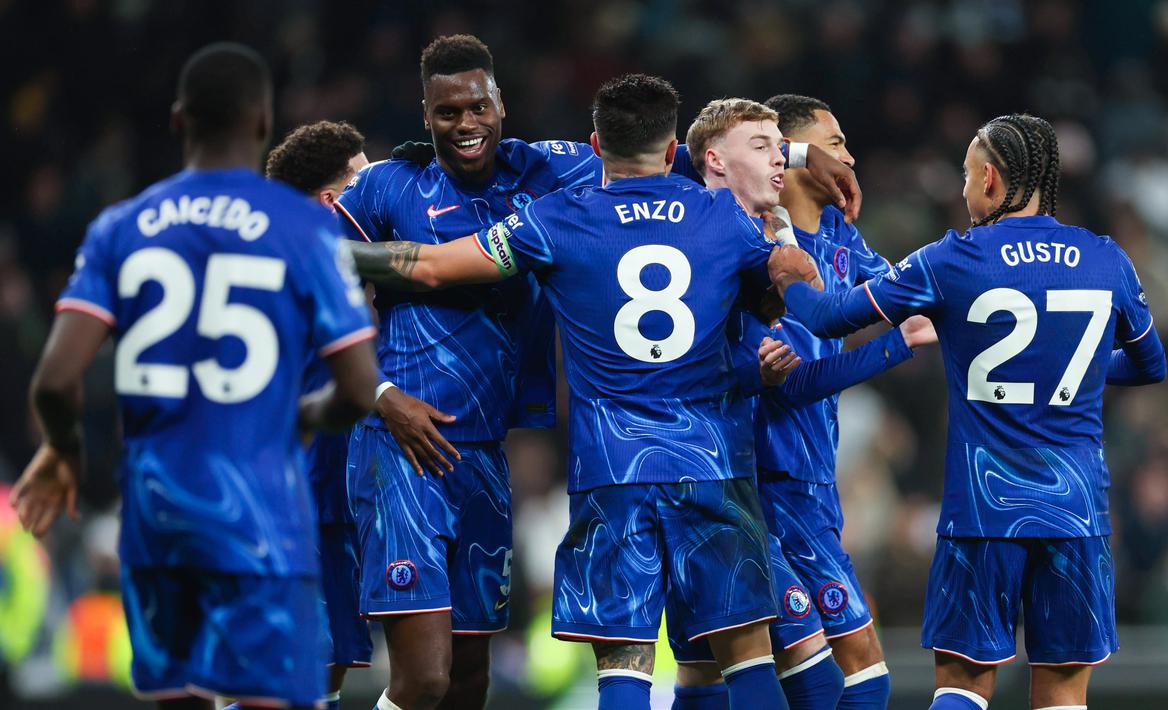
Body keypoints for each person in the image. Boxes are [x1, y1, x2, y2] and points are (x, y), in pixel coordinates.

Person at [336, 33, 860, 710]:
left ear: (592, 145)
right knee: (745, 653)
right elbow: (776, 262)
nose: (465, 125)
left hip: (610, 471)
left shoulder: (552, 217)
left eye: (476, 108)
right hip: (710, 461)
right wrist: (790, 245)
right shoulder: (720, 218)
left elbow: (432, 266)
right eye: (447, 113)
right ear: (672, 150)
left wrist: (317, 254)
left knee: (624, 667)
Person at [9, 43, 378, 709]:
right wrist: (305, 421)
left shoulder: (121, 227)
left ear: (179, 121)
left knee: (180, 698)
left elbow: (55, 380)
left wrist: (61, 451)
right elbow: (356, 387)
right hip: (258, 500)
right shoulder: (303, 229)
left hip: (156, 509)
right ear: (264, 122)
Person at [770, 114, 1167, 710]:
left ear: (987, 177)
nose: (960, 190)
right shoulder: (1105, 258)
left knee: (962, 687)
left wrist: (788, 273)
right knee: (1063, 694)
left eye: (963, 175)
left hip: (982, 511)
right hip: (1077, 510)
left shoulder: (951, 260)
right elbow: (1149, 365)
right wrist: (1061, 369)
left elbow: (828, 318)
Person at [666, 97, 937, 710]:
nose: (846, 155)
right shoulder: (755, 250)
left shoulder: (840, 237)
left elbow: (904, 288)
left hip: (812, 476)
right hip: (767, 483)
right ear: (786, 157)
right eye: (831, 141)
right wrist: (898, 346)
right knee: (854, 673)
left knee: (708, 672)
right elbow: (791, 382)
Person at [264, 119, 373, 710]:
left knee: (322, 670)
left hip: (321, 484)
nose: (378, 189)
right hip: (300, 488)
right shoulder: (317, 247)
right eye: (363, 179)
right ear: (332, 198)